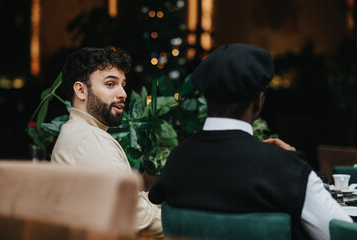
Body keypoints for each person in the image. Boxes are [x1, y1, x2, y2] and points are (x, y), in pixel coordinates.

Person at [148, 43, 352, 240]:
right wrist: (299, 169)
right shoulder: (284, 168)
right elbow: (344, 233)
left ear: (206, 98)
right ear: (259, 100)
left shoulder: (177, 160)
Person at [51, 47, 163, 238]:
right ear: (81, 90)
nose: (123, 94)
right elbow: (133, 216)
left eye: (123, 85)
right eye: (110, 84)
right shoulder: (89, 140)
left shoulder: (78, 133)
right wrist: (185, 221)